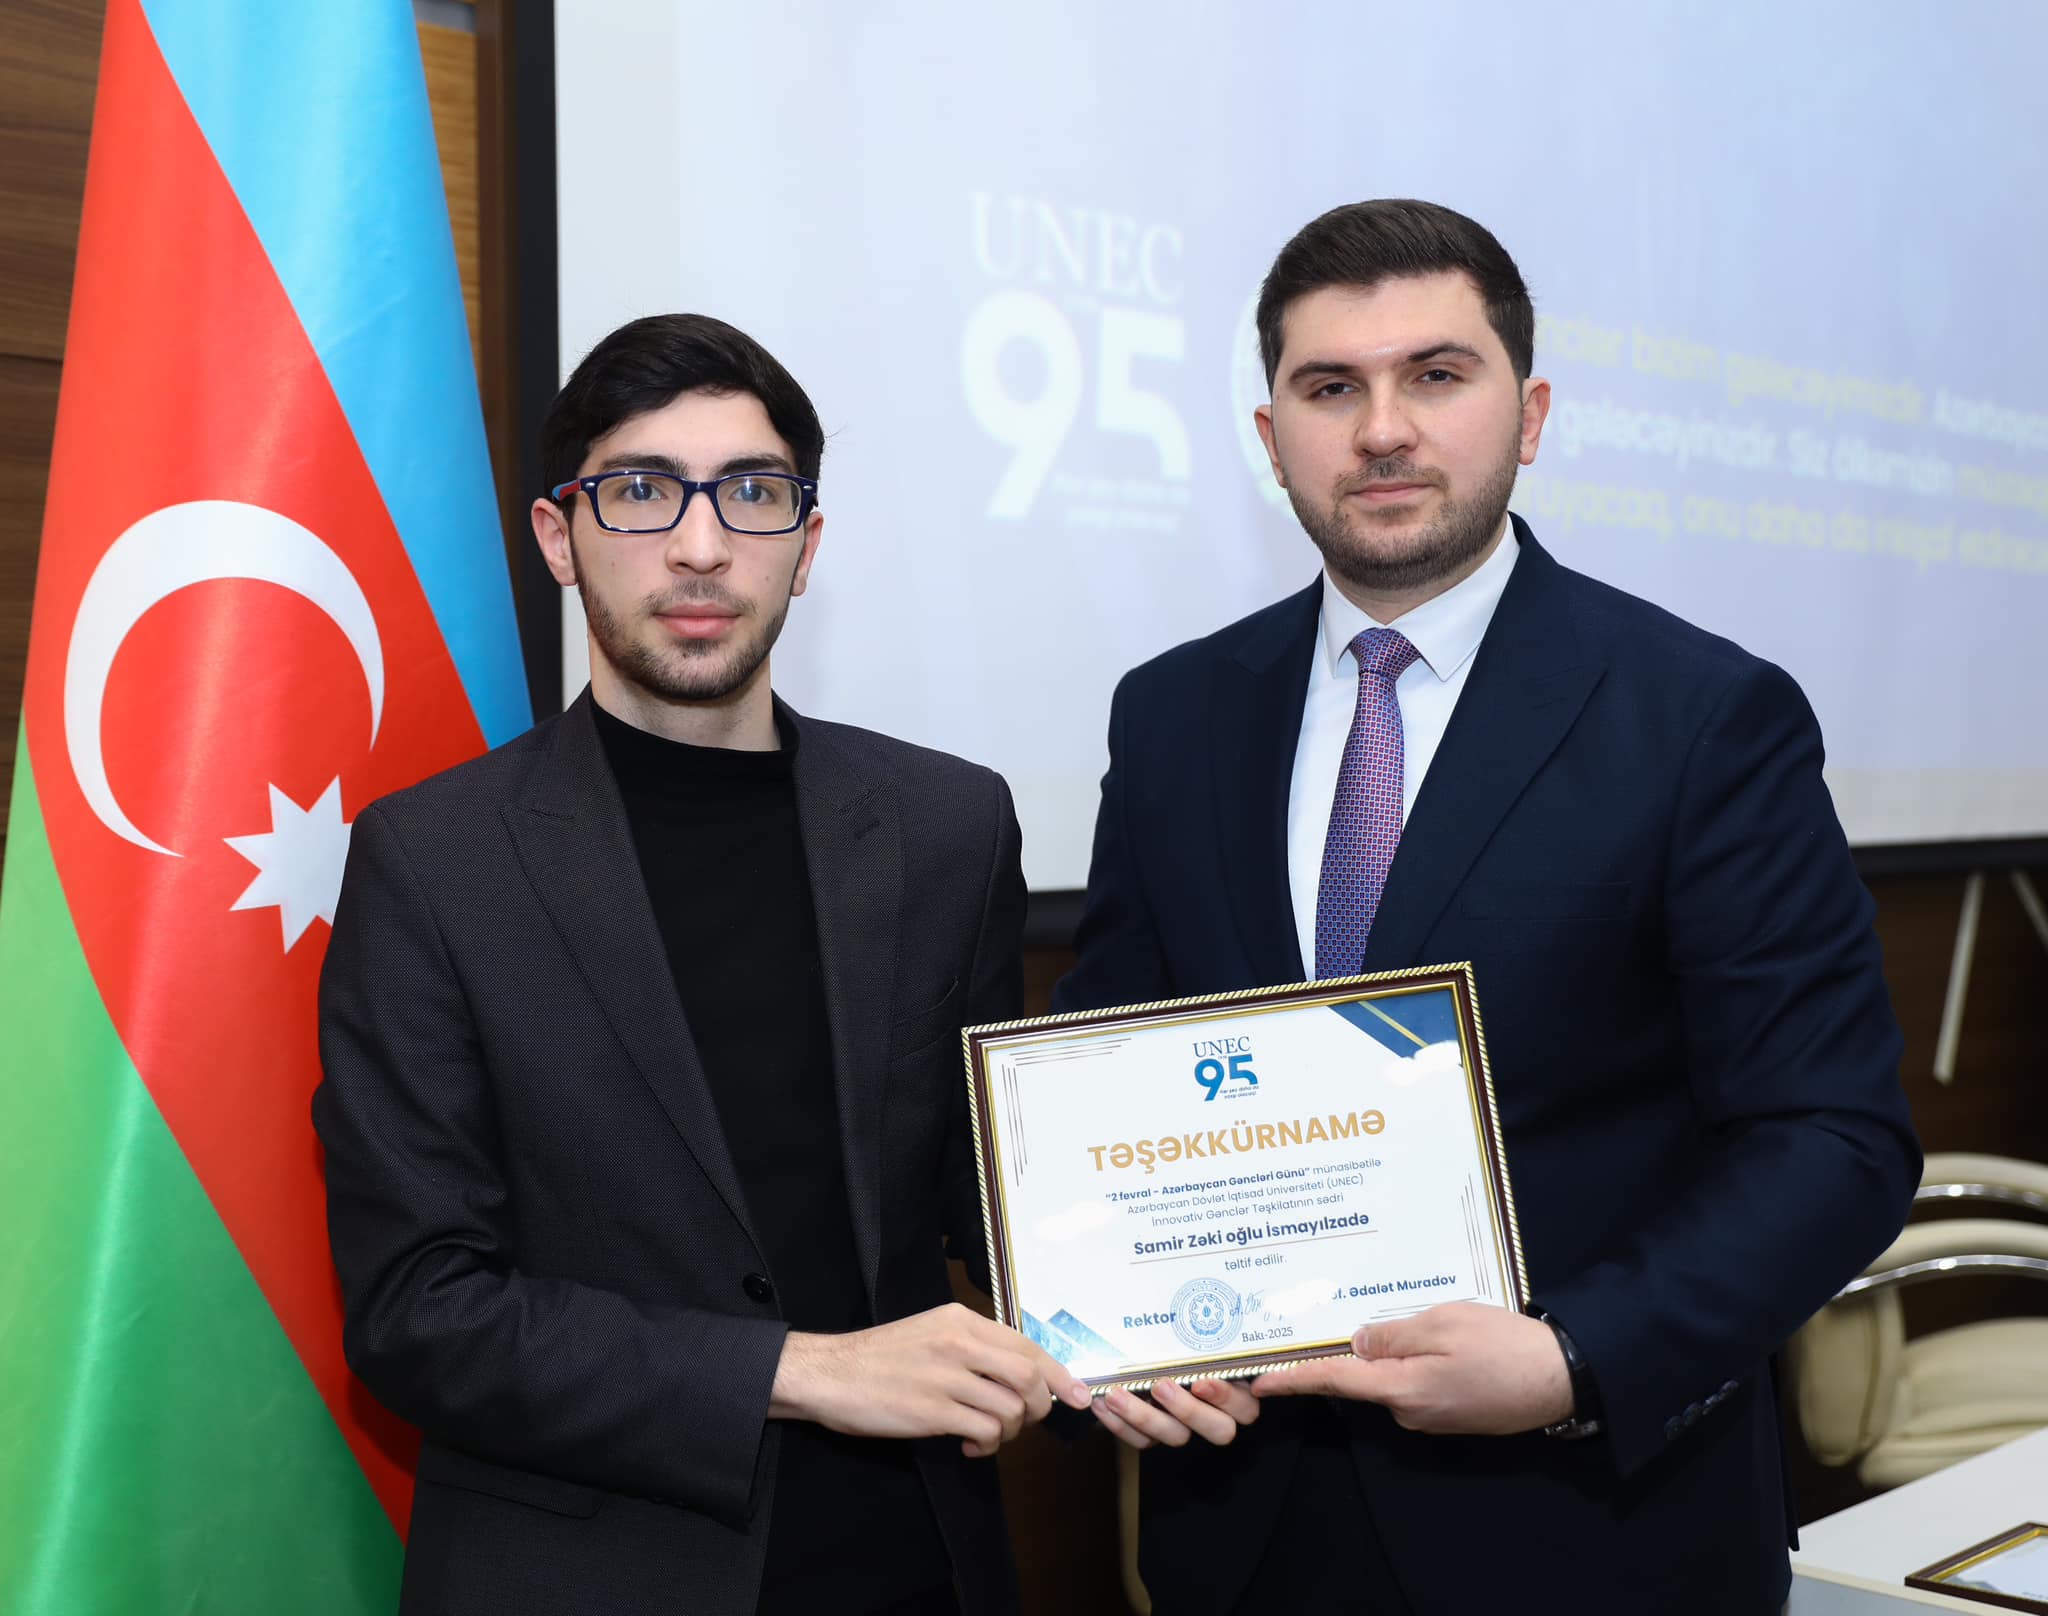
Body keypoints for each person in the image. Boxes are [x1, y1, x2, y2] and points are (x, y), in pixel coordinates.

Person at [1054, 201, 1919, 1615]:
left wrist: (1577, 1354)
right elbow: (1110, 1070)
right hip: (1250, 1535)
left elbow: (1834, 1138)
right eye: (1330, 389)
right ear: (1272, 436)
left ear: (1532, 414)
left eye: (1437, 375)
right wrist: (1110, 1329)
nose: (1383, 429)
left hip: (1589, 1533)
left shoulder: (1703, 716)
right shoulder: (1173, 715)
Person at [314, 313, 1086, 1616]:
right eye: (640, 491)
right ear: (559, 537)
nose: (701, 543)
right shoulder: (435, 862)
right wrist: (803, 1372)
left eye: (753, 492)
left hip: (909, 1560)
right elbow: (419, 1310)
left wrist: (1178, 1326)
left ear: (806, 544)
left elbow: (996, 1201)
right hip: (588, 1572)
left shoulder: (946, 825)